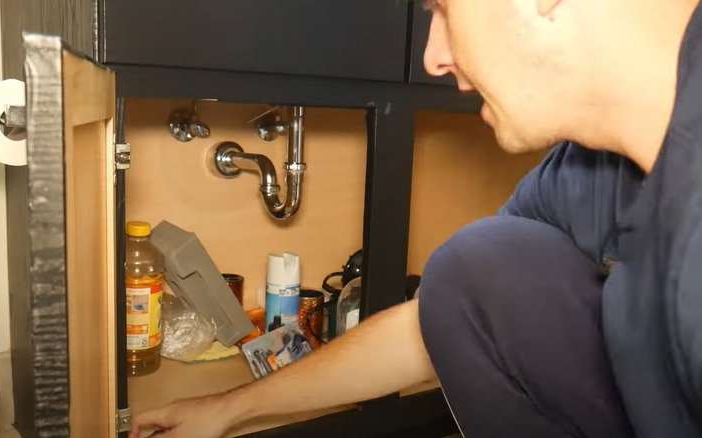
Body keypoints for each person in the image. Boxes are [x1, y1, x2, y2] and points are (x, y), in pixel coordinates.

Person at [130, 0, 702, 436]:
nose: (433, 55)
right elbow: (434, 321)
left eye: (443, 8)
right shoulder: (590, 172)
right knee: (478, 267)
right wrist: (224, 410)